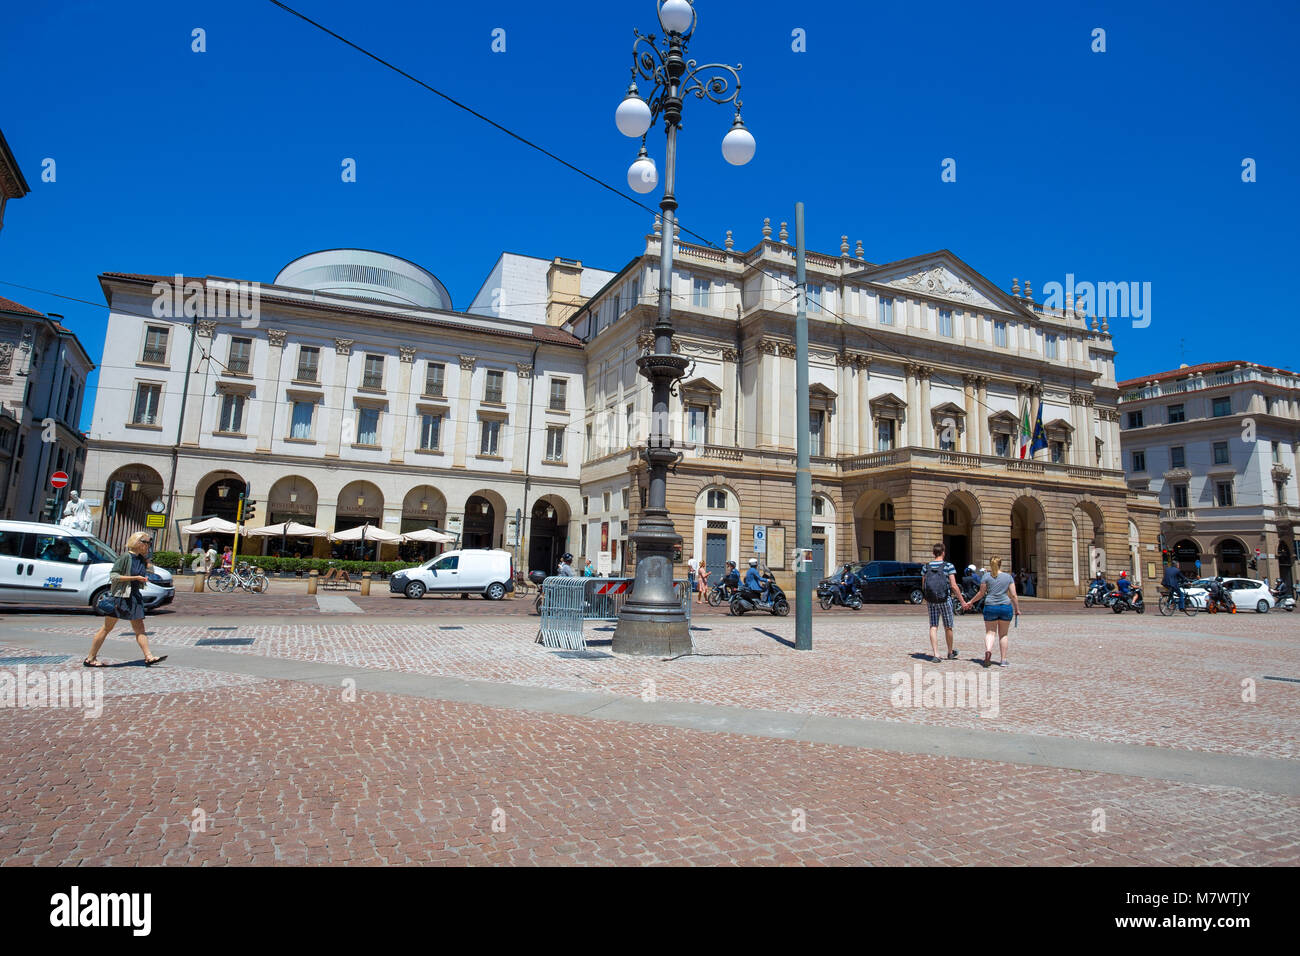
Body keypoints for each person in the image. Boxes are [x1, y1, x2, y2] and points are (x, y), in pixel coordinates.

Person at [83, 531, 166, 668]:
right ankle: (90, 658)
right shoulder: (125, 558)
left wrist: (147, 563)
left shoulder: (141, 559)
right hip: (120, 597)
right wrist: (135, 578)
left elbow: (149, 570)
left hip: (134, 597)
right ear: (139, 543)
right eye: (147, 542)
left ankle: (149, 656)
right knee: (106, 628)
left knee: (140, 629)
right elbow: (114, 575)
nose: (149, 545)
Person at [961, 555, 1020, 667]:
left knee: (990, 633)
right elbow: (1014, 595)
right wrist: (1017, 609)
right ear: (1000, 564)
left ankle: (988, 651)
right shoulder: (1008, 577)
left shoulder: (986, 577)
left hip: (990, 606)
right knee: (1003, 635)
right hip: (1005, 606)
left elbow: (981, 593)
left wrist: (971, 602)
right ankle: (1003, 660)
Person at [922, 543, 964, 663]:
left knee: (933, 626)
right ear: (943, 552)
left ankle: (936, 654)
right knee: (948, 626)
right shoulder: (948, 566)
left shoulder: (926, 566)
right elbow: (954, 586)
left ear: (933, 553)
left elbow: (923, 584)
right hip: (945, 599)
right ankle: (950, 652)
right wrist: (962, 601)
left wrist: (926, 597)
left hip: (931, 600)